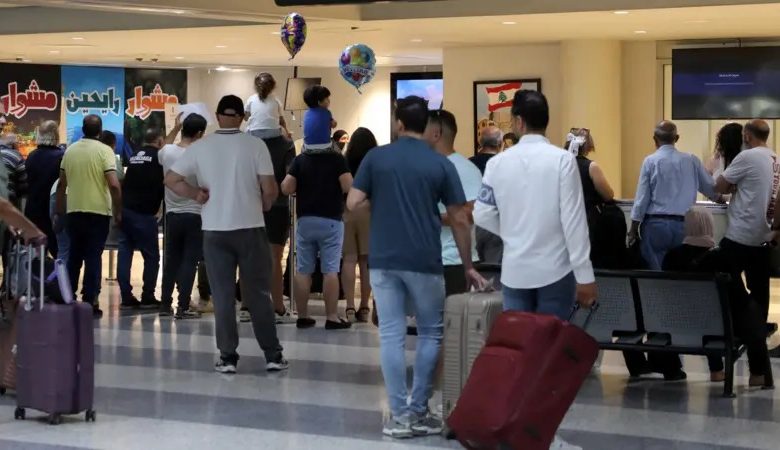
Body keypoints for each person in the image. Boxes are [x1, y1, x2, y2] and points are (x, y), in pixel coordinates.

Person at [346, 96, 488, 438]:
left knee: (391, 335)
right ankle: (419, 410)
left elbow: (353, 202)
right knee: (431, 333)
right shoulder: (440, 163)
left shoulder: (376, 157)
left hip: (384, 260)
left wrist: (380, 206)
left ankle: (398, 416)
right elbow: (459, 218)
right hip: (425, 260)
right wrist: (468, 265)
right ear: (426, 126)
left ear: (398, 123)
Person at [473, 91, 597, 450]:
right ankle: (542, 436)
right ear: (546, 120)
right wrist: (585, 276)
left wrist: (513, 232)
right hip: (556, 273)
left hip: (514, 272)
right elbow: (574, 221)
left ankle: (512, 431)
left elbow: (481, 213)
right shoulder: (562, 161)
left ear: (517, 121)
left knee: (519, 356)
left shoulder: (498, 164)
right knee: (549, 359)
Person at [166, 95, 288, 374]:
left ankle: (228, 357)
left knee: (222, 296)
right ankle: (272, 355)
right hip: (251, 228)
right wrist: (264, 204)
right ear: (242, 118)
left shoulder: (201, 147)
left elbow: (171, 179)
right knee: (258, 294)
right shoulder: (255, 145)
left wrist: (196, 194)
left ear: (218, 116)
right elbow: (270, 189)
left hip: (214, 231)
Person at [663, 208, 771, 387]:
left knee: (704, 314)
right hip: (721, 327)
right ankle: (757, 373)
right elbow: (740, 300)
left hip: (680, 325)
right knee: (750, 312)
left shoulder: (671, 258)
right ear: (709, 226)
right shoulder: (723, 257)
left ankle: (712, 370)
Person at [281, 128, 353, 330]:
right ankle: (332, 317)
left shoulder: (300, 160)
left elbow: (286, 187)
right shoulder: (337, 160)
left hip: (305, 220)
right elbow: (348, 186)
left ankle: (303, 316)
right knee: (330, 270)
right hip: (331, 220)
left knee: (303, 270)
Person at [629, 121, 721, 270]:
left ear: (654, 139)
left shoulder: (650, 161)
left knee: (656, 273)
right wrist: (722, 198)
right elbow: (712, 189)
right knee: (681, 272)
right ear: (677, 138)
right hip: (685, 226)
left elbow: (641, 199)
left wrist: (633, 229)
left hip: (655, 225)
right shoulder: (691, 160)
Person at [55, 115, 122, 318]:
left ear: (83, 130)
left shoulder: (70, 151)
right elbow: (114, 184)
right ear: (100, 131)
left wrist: (59, 211)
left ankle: (68, 298)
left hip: (74, 211)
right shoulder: (105, 151)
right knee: (93, 257)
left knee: (74, 256)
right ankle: (89, 301)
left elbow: (62, 185)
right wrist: (118, 210)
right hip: (98, 212)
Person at [715, 119, 780, 325]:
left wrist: (732, 185)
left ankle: (741, 319)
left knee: (722, 275)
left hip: (742, 232)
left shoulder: (747, 156)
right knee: (760, 287)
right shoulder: (776, 159)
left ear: (747, 136)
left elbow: (720, 186)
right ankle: (758, 329)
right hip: (764, 233)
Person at [425, 109, 481, 296]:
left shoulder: (465, 169)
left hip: (453, 261)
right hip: (427, 260)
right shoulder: (427, 166)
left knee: (450, 314)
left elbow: (471, 213)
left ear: (436, 134)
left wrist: (430, 218)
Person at [159, 114, 208, 319]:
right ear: (199, 133)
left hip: (172, 215)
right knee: (190, 261)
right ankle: (183, 306)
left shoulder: (167, 152)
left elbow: (165, 146)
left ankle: (164, 305)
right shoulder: (200, 155)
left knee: (171, 260)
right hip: (195, 214)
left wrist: (175, 128)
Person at [117, 128, 165, 310]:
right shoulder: (159, 157)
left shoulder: (135, 155)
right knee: (152, 256)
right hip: (144, 214)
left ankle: (126, 296)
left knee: (125, 253)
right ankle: (148, 296)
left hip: (126, 211)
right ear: (159, 141)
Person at [341, 127, 376, 323]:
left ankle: (349, 306)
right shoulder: (374, 162)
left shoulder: (344, 162)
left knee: (348, 260)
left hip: (347, 211)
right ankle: (364, 306)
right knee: (365, 261)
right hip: (369, 211)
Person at [24, 120, 64, 257]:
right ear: (56, 135)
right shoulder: (61, 156)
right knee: (59, 254)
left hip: (33, 211)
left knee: (35, 257)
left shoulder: (31, 156)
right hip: (53, 211)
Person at [470, 126, 504, 264]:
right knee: (493, 269)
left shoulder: (469, 164)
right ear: (500, 144)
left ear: (480, 143)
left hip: (473, 222)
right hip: (496, 223)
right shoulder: (504, 164)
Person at [244, 72, 291, 139]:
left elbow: (245, 118)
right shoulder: (276, 100)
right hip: (274, 133)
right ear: (273, 86)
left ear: (256, 86)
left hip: (255, 133)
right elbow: (282, 121)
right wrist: (287, 132)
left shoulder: (251, 99)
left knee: (247, 129)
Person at [302, 85, 337, 153]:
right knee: (337, 149)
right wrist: (334, 122)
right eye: (327, 98)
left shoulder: (306, 113)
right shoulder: (327, 112)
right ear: (319, 102)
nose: (329, 100)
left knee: (303, 146)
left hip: (308, 147)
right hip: (325, 147)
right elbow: (333, 125)